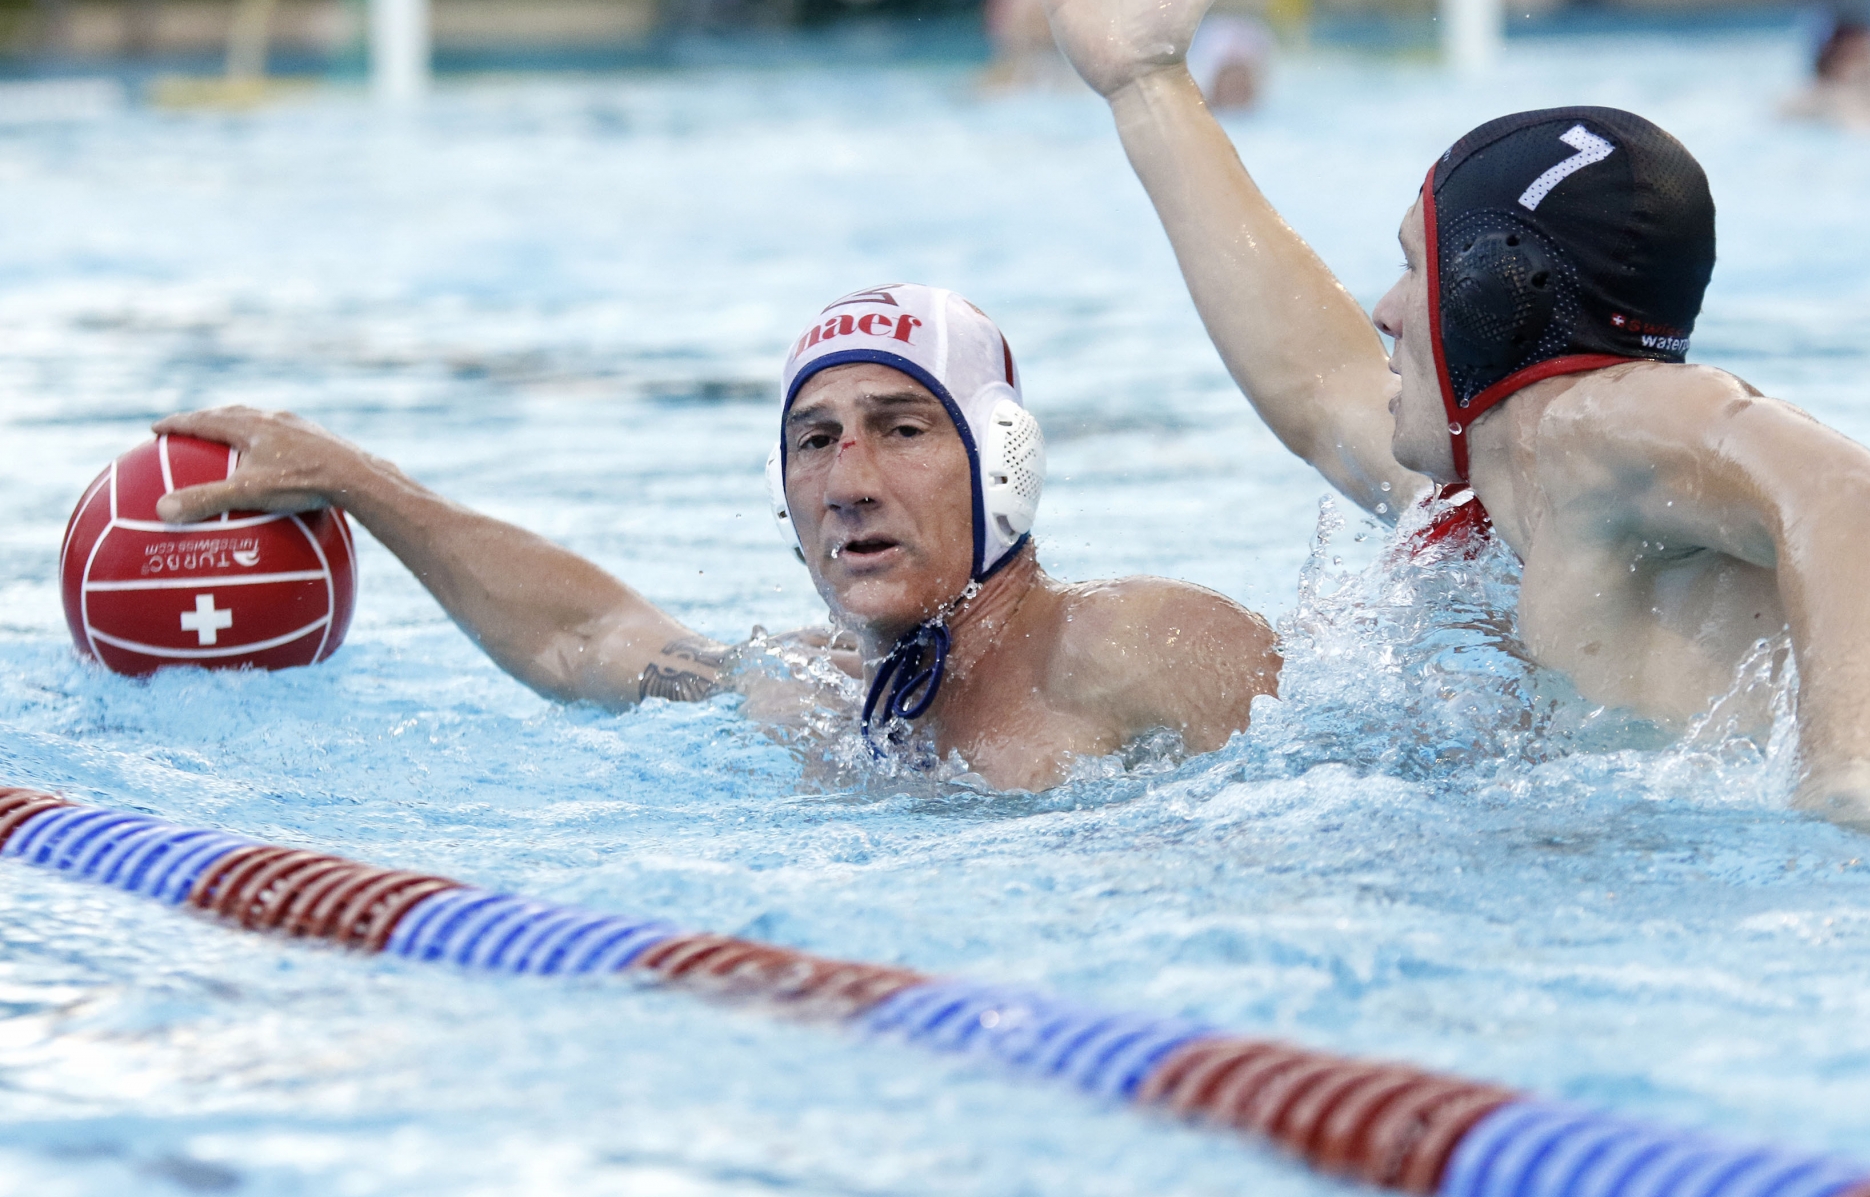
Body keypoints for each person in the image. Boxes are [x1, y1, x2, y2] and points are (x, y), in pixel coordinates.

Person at [1022, 0, 1870, 833]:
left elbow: (1857, 499)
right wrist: (1147, 87)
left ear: (1499, 293)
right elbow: (1316, 387)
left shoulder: (1595, 426)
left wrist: (1853, 790)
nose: (1383, 309)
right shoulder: (1498, 492)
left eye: (1416, 265)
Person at [151, 284, 1279, 793]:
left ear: (1003, 466)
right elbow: (583, 637)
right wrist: (359, 483)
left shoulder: (1143, 645)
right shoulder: (799, 687)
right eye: (814, 441)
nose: (848, 482)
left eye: (900, 430)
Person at [1779, 10, 1870, 131]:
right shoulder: (1810, 102)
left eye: (1869, 54)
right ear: (1833, 59)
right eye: (1857, 55)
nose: (1866, 64)